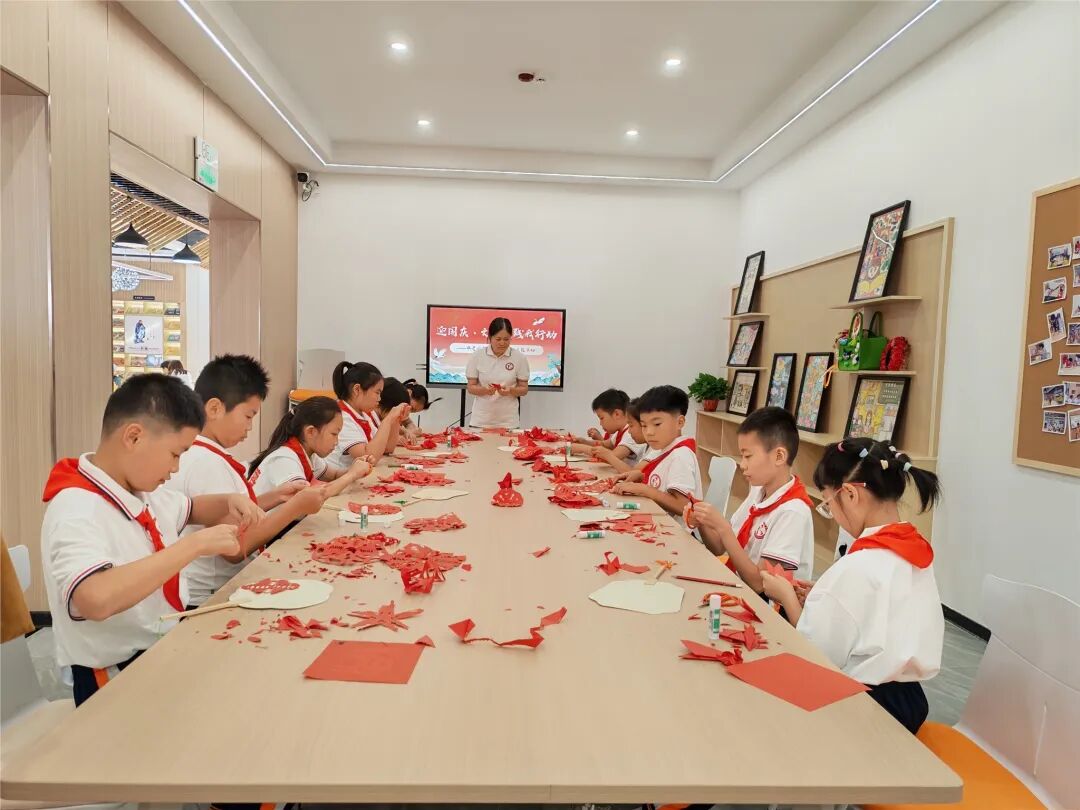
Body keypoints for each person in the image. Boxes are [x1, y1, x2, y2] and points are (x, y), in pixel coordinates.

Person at [40, 375, 259, 706]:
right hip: (112, 674)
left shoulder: (140, 491)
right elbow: (94, 598)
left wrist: (229, 500)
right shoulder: (76, 508)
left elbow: (191, 509)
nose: (176, 468)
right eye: (175, 454)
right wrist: (193, 546)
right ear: (134, 437)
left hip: (159, 648)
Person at [761, 438, 944, 734]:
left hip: (866, 708)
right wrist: (824, 598)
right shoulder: (914, 548)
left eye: (828, 504)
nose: (832, 515)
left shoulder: (858, 566)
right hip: (910, 699)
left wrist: (787, 598)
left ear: (849, 494)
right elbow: (881, 614)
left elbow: (818, 655)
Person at [164, 355, 326, 607]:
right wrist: (295, 507)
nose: (250, 427)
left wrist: (275, 497)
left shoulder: (203, 453)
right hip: (211, 596)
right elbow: (237, 546)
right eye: (248, 416)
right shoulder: (207, 463)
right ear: (214, 408)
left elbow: (230, 513)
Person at [685, 406, 814, 590]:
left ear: (779, 456)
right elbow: (719, 548)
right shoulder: (758, 492)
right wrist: (702, 522)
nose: (743, 465)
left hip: (764, 603)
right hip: (738, 585)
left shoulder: (793, 511)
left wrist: (723, 527)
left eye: (748, 456)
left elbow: (759, 584)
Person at [248, 396, 373, 501]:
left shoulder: (308, 453)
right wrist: (351, 474)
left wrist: (357, 468)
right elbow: (308, 500)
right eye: (334, 434)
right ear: (311, 432)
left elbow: (334, 475)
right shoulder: (285, 459)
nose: (336, 442)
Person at [612, 385, 701, 516]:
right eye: (644, 425)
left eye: (657, 424)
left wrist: (644, 490)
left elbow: (684, 506)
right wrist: (641, 476)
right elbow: (663, 482)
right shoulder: (664, 448)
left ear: (680, 422)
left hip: (673, 527)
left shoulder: (681, 455)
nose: (649, 432)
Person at [331, 361, 408, 467]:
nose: (379, 398)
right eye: (377, 392)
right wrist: (389, 419)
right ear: (357, 390)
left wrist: (396, 420)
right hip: (342, 476)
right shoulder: (342, 417)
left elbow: (387, 448)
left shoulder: (364, 414)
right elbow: (369, 458)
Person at [465, 317, 530, 429]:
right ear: (490, 337)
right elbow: (471, 388)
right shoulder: (477, 356)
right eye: (498, 339)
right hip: (480, 421)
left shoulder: (519, 358)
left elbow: (524, 389)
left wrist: (510, 391)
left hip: (509, 422)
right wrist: (485, 390)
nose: (502, 343)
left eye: (506, 339)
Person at [580, 396, 649, 473]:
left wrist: (579, 448)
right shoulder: (619, 432)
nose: (600, 423)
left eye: (601, 418)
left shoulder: (630, 436)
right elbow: (604, 444)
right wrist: (583, 441)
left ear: (617, 414)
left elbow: (631, 471)